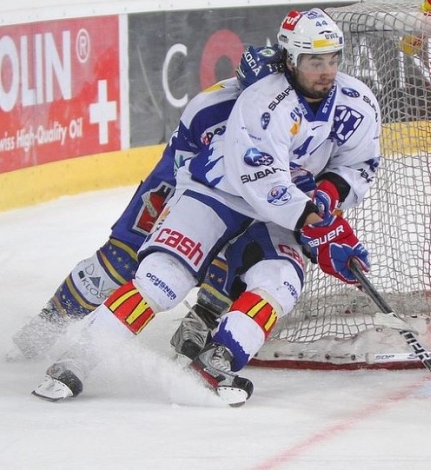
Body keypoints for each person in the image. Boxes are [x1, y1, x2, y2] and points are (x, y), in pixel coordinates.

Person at [32, 8, 381, 406]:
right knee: (163, 277)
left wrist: (327, 200)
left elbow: (357, 164)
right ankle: (79, 356)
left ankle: (219, 359)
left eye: (333, 60)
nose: (326, 71)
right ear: (289, 59)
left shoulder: (356, 101)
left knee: (281, 281)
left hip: (282, 210)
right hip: (218, 193)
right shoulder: (261, 102)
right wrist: (313, 221)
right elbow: (263, 181)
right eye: (315, 61)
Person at [10, 45, 284, 362]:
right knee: (120, 261)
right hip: (178, 184)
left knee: (245, 251)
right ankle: (46, 326)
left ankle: (203, 316)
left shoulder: (291, 113)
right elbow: (184, 174)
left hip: (246, 196)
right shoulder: (209, 109)